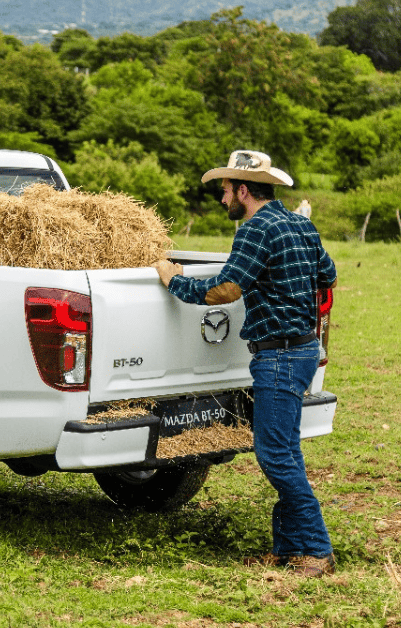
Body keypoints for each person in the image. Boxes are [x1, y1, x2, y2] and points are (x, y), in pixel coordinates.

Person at [151, 150, 338, 578]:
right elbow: (327, 275)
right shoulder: (301, 224)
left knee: (274, 456)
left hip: (279, 356)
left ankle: (316, 550)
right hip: (304, 350)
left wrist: (172, 279)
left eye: (224, 190)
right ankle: (289, 547)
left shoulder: (254, 229)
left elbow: (226, 289)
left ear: (242, 190)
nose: (222, 200)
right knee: (286, 451)